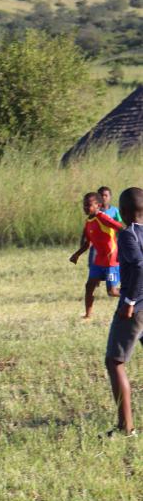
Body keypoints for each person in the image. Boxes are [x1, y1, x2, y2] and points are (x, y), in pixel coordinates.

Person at [104, 186, 143, 438]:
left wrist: (129, 301)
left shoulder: (128, 234)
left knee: (114, 361)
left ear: (125, 212)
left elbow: (139, 265)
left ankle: (125, 428)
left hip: (136, 307)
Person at [69, 192, 123, 319]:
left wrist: (124, 247)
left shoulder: (102, 217)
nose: (86, 208)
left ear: (98, 205)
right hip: (99, 261)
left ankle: (135, 295)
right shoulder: (89, 221)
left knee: (112, 292)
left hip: (111, 260)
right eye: (84, 205)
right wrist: (77, 254)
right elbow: (88, 243)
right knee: (89, 286)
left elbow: (120, 227)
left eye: (88, 205)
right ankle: (88, 315)